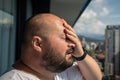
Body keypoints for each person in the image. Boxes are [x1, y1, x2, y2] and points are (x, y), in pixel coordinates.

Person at [0, 13, 102, 80]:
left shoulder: (56, 71)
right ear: (38, 44)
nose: (73, 43)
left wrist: (81, 54)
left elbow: (95, 78)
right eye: (65, 38)